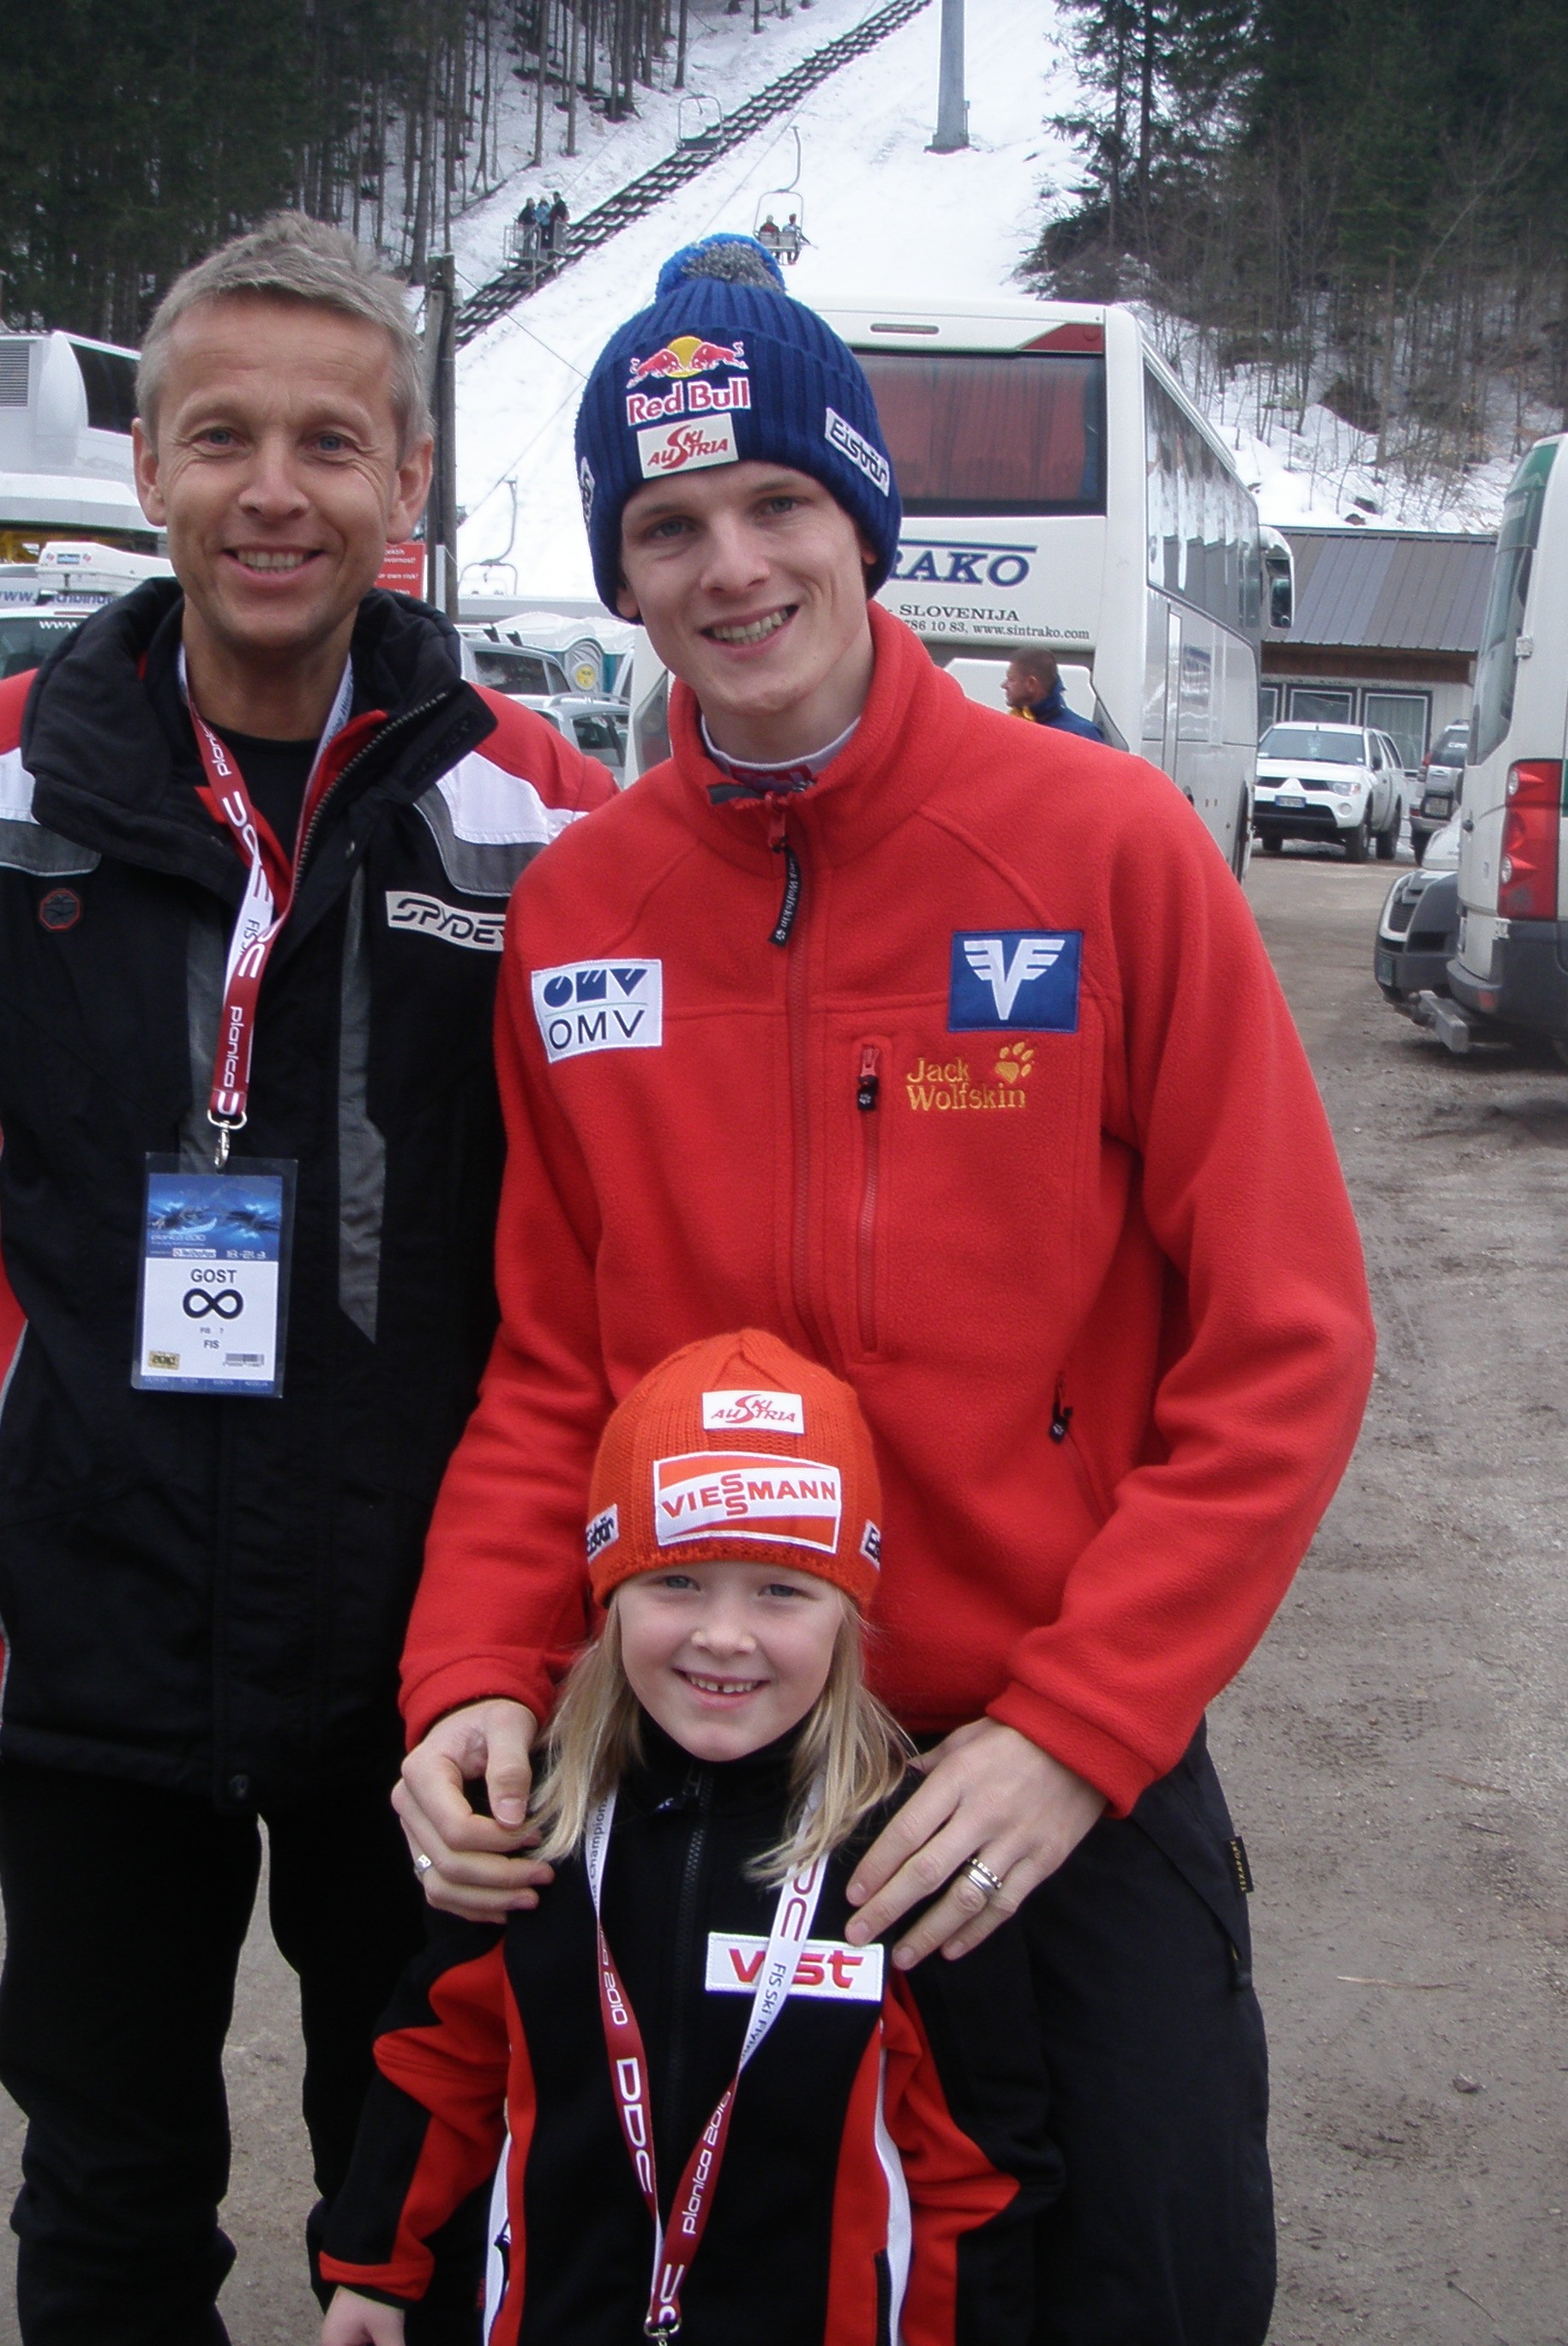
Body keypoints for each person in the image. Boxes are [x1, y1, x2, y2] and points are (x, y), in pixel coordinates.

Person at [392, 235, 1375, 2345]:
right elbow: (552, 1364)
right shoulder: (582, 903)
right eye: (666, 527)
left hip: (1046, 1771)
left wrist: (1076, 1728)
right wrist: (474, 1669)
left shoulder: (1101, 848)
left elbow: (1285, 1340)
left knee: (1150, 2284)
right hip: (711, 1749)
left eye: (776, 505)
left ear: (862, 519)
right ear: (621, 574)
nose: (730, 567)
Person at [0, 211, 613, 2345]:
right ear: (143, 463)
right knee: (113, 2184)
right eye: (219, 433)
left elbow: (625, 1244)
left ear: (407, 482)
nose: (272, 489)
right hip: (89, 1642)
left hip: (430, 1676)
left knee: (422, 2181)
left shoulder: (544, 820)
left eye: (331, 442)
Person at [319, 1331, 1051, 2346]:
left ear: (850, 1614)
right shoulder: (536, 1830)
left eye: (781, 1590)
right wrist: (370, 2268)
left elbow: (976, 2169)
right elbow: (439, 2064)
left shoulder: (905, 1861)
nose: (723, 1634)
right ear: (607, 1597)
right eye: (678, 1583)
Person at [1001, 646, 1105, 743]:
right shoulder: (1013, 725)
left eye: (1011, 679)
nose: (1004, 685)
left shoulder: (1081, 734)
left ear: (1031, 683)